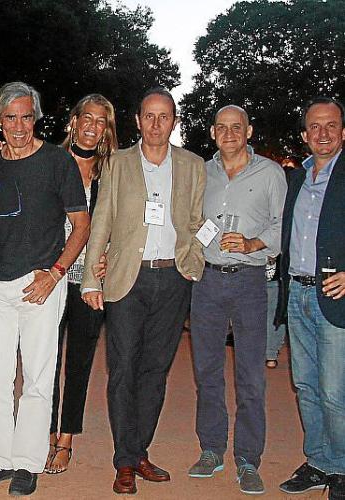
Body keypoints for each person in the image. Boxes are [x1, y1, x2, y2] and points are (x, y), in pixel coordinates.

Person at [81, 87, 205, 495]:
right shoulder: (117, 163)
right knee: (123, 370)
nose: (156, 124)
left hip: (172, 279)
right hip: (127, 279)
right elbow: (102, 220)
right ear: (137, 121)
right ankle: (124, 461)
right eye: (149, 116)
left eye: (164, 116)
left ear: (174, 121)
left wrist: (194, 262)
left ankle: (138, 452)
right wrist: (91, 278)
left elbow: (198, 221)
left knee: (155, 371)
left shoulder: (192, 165)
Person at [0, 81, 90, 496]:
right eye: (10, 118)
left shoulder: (58, 161)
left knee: (38, 378)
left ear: (36, 118)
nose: (19, 126)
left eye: (26, 117)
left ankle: (28, 462)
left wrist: (55, 273)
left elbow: (81, 225)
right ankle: (1, 458)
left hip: (42, 282)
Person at [186, 105, 286, 495]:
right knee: (207, 372)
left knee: (251, 376)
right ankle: (211, 449)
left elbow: (281, 225)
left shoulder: (270, 173)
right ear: (213, 132)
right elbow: (189, 219)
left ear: (249, 131)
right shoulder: (201, 172)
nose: (229, 134)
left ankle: (248, 458)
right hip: (207, 282)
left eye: (236, 127)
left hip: (249, 282)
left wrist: (252, 243)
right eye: (222, 127)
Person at [276, 97, 345, 500]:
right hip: (297, 294)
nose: (323, 133)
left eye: (331, 125)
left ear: (343, 132)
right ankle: (319, 461)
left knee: (335, 391)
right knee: (305, 385)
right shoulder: (297, 178)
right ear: (304, 135)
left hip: (333, 298)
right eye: (315, 126)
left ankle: (341, 467)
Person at [45, 94, 117, 474]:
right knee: (46, 361)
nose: (92, 126)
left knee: (79, 363)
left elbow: (125, 222)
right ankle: (45, 432)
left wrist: (111, 255)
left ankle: (66, 438)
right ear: (73, 121)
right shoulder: (50, 161)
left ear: (107, 130)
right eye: (86, 118)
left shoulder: (113, 172)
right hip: (50, 277)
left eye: (100, 121)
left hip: (90, 281)